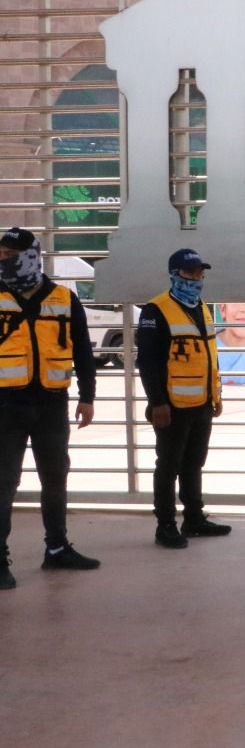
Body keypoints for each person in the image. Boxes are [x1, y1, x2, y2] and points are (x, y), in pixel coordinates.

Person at [0, 226, 100, 588]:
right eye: (2, 253)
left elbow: (83, 352)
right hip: (6, 406)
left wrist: (88, 396)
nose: (3, 259)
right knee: (3, 482)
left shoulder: (62, 298)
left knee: (55, 479)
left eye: (10, 254)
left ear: (31, 255)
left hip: (52, 405)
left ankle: (57, 549)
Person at [136, 248, 230, 548]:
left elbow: (209, 356)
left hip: (201, 403)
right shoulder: (156, 310)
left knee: (194, 463)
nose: (197, 279)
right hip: (172, 406)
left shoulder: (201, 307)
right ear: (175, 275)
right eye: (191, 273)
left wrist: (215, 394)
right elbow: (148, 362)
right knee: (169, 465)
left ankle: (194, 518)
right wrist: (157, 402)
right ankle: (165, 525)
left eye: (201, 274)